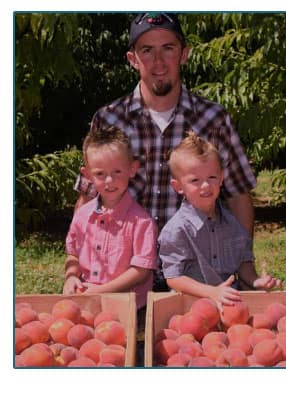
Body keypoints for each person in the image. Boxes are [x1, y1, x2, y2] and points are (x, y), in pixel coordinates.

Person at [73, 13, 257, 290]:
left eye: (168, 48)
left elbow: (238, 196)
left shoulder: (213, 119)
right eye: (147, 50)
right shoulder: (109, 119)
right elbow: (88, 199)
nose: (158, 62)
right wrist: (74, 271)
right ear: (133, 59)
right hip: (122, 280)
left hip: (197, 279)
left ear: (184, 54)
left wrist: (246, 268)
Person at [158, 134, 280, 305]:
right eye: (195, 180)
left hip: (229, 302)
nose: (206, 185)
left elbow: (243, 261)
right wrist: (212, 292)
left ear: (221, 178)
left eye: (212, 178)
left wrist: (254, 281)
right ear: (178, 186)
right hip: (192, 305)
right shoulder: (176, 230)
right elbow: (174, 278)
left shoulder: (231, 222)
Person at [63, 127, 158, 309]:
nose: (109, 181)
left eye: (117, 172)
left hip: (129, 306)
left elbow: (141, 271)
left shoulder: (142, 222)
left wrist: (103, 290)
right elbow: (72, 254)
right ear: (87, 175)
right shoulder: (82, 215)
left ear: (132, 169)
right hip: (87, 299)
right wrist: (72, 276)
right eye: (100, 174)